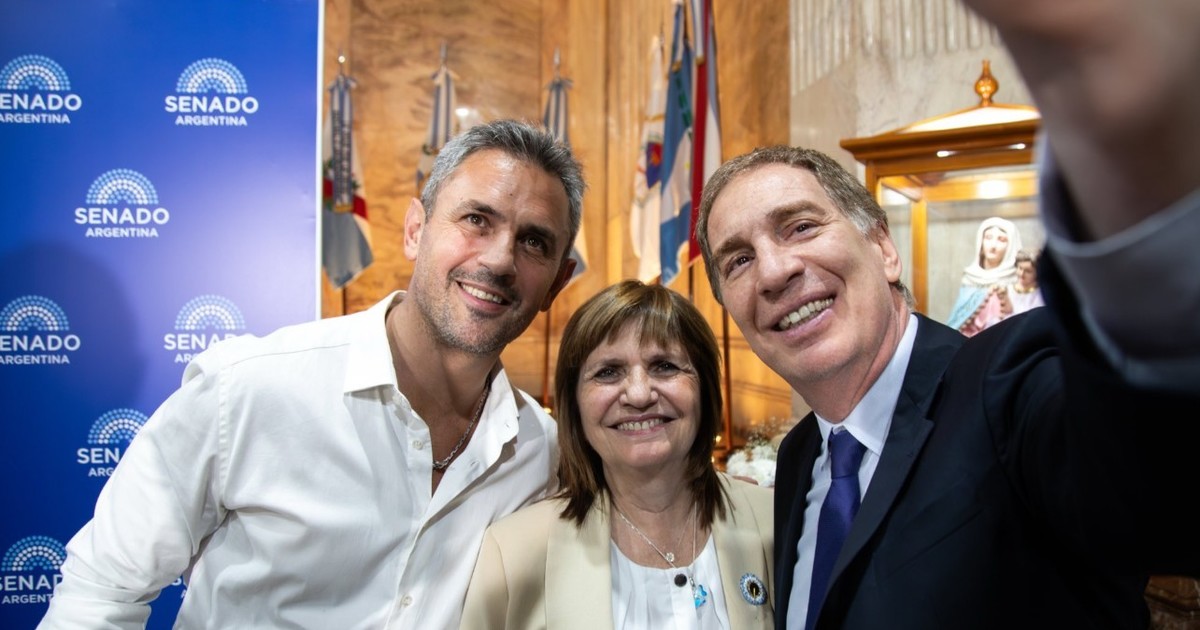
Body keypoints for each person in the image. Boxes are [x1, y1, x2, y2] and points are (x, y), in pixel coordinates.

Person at [694, 0, 1200, 626]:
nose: (773, 272)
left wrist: (1140, 171)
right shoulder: (802, 457)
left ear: (884, 248)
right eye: (738, 260)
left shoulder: (1008, 383)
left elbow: (1163, 490)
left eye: (800, 226)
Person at [38, 119, 585, 629]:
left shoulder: (541, 453)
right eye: (476, 220)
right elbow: (101, 592)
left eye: (533, 241)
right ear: (416, 230)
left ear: (557, 283)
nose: (500, 259)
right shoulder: (248, 388)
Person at [461, 280, 774, 629]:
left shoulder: (776, 521)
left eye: (665, 366)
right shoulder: (513, 554)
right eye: (608, 372)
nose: (639, 395)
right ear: (575, 404)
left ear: (705, 389)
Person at [944, 216, 1022, 336]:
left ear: (1011, 246)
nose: (993, 245)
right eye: (988, 238)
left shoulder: (1017, 280)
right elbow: (958, 320)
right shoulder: (971, 278)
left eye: (1001, 240)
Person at [1009, 248, 1045, 316]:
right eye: (1020, 268)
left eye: (1028, 271)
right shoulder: (1007, 290)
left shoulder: (1040, 296)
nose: (1021, 274)